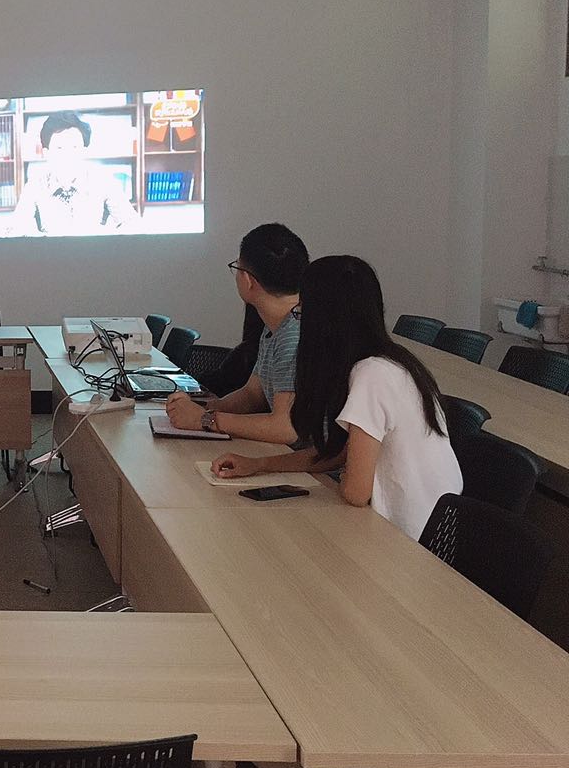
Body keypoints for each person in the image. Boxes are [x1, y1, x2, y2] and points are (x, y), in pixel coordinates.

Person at [211, 256, 462, 538]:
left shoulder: (372, 375)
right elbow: (337, 453)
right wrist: (259, 465)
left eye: (301, 312)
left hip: (410, 540)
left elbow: (355, 492)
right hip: (411, 529)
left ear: (323, 321)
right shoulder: (391, 363)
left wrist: (347, 474)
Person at [165, 223, 308, 444]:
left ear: (248, 280)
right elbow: (252, 395)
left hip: (308, 461)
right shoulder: (275, 327)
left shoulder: (293, 333)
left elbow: (285, 428)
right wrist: (202, 408)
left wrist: (204, 419)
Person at [7, 114, 138, 236]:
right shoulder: (35, 185)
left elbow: (133, 225)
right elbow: (15, 230)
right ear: (47, 153)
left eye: (75, 147)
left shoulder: (103, 181)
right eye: (59, 148)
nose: (68, 155)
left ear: (84, 151)